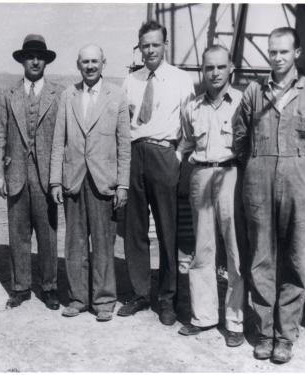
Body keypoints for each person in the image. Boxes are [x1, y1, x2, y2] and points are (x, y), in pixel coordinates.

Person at [234, 27, 305, 363]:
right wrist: (258, 166)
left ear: (297, 53)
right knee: (261, 259)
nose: (276, 58)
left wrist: (301, 168)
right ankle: (263, 333)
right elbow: (239, 137)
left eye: (283, 52)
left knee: (295, 260)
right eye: (272, 52)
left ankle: (286, 336)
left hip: (300, 188)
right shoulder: (253, 92)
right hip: (258, 186)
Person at [117, 20, 195, 325]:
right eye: (145, 45)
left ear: (165, 46)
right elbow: (125, 125)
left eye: (155, 44)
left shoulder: (180, 79)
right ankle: (139, 293)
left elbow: (189, 125)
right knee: (134, 229)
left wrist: (176, 157)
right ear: (140, 47)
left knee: (167, 230)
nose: (150, 50)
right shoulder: (131, 80)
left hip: (165, 154)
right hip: (136, 153)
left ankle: (167, 298)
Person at [50, 44, 131, 322]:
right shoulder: (67, 96)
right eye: (85, 61)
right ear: (78, 65)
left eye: (95, 61)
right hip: (73, 179)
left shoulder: (117, 96)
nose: (90, 66)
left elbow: (124, 144)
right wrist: (55, 181)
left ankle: (104, 299)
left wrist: (123, 185)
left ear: (103, 63)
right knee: (74, 244)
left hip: (103, 181)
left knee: (103, 243)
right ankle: (78, 298)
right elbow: (58, 142)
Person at [178, 45, 245, 347]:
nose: (215, 73)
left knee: (234, 250)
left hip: (232, 175)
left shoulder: (244, 103)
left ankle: (235, 321)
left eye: (220, 67)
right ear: (202, 71)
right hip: (202, 175)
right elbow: (187, 144)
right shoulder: (192, 107)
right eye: (209, 68)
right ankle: (204, 316)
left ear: (231, 67)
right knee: (203, 249)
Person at [0, 34, 63, 310]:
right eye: (30, 56)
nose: (35, 61)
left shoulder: (59, 94)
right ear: (22, 60)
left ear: (46, 61)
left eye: (40, 57)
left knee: (47, 234)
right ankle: (20, 287)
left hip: (47, 177)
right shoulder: (8, 94)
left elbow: (64, 138)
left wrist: (60, 177)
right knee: (18, 233)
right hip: (16, 174)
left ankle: (50, 287)